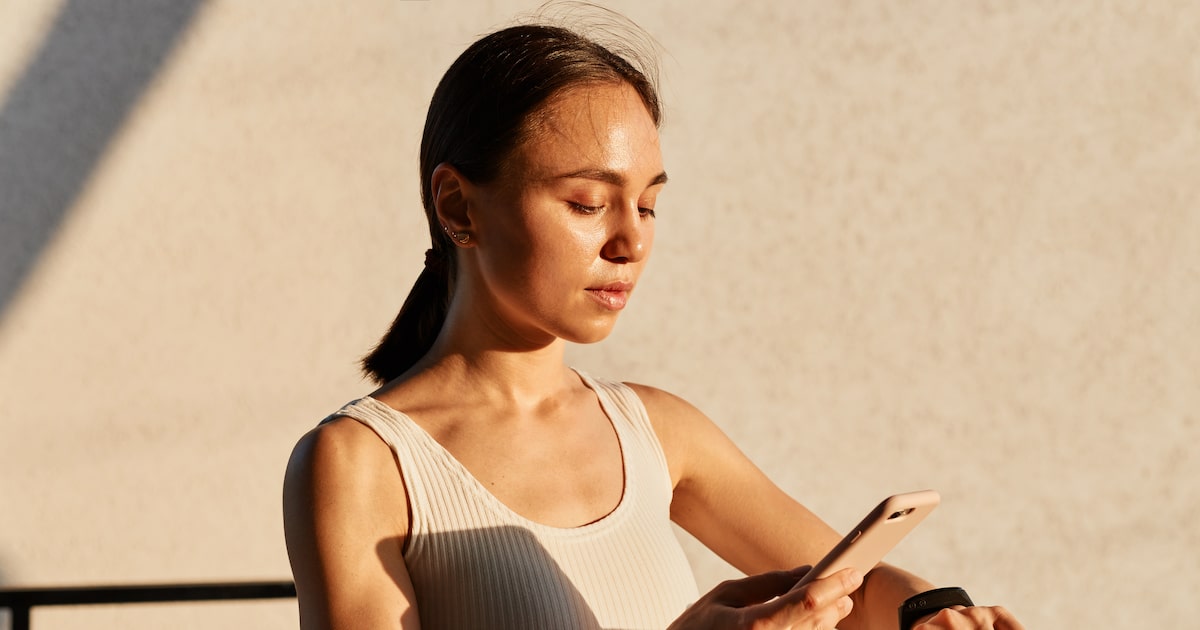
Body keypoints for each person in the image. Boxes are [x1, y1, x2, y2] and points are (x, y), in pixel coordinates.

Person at [282, 10, 1025, 630]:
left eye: (648, 205)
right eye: (586, 203)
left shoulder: (657, 431)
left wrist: (931, 613)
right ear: (457, 207)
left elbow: (849, 582)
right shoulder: (359, 465)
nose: (631, 241)